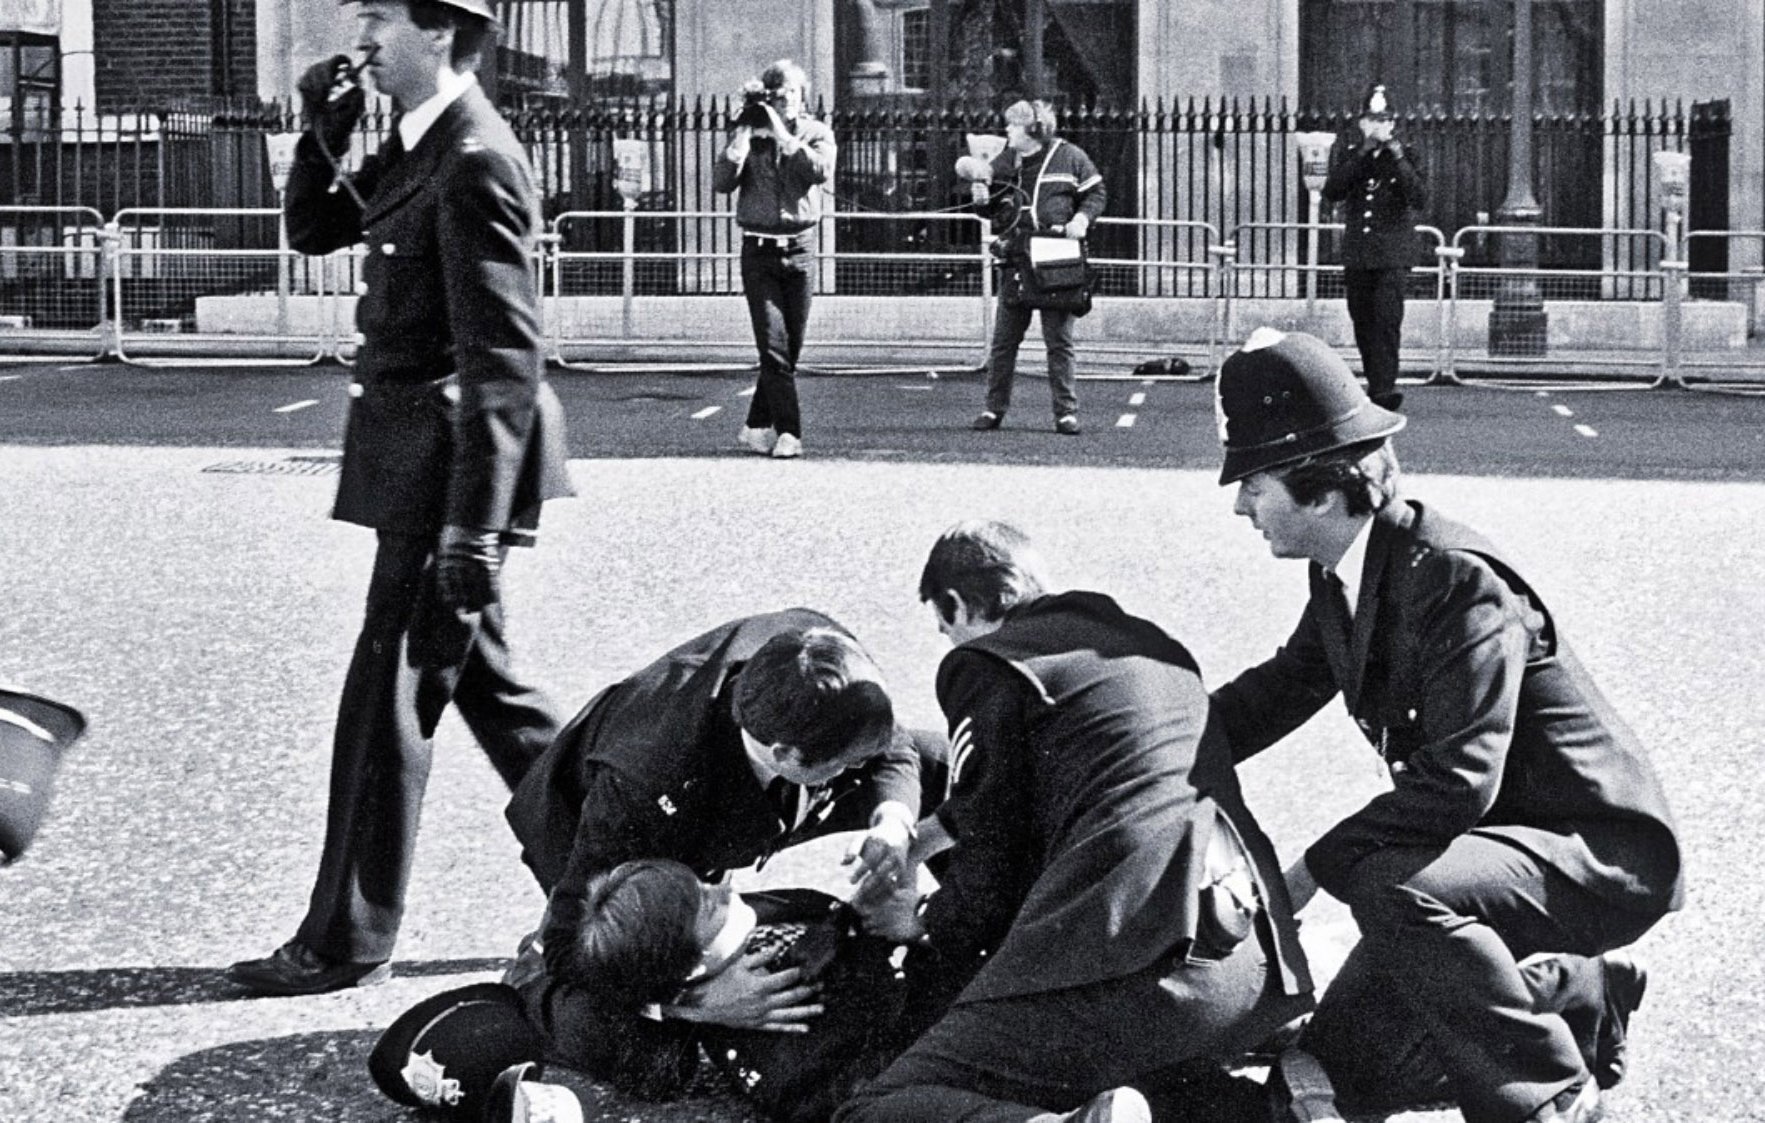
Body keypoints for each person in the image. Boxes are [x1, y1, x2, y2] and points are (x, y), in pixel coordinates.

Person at [1208, 328, 1684, 1123]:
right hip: (1490, 853)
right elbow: (1272, 694)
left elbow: (1460, 779)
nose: (1239, 505)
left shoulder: (1453, 577)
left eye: (1253, 485)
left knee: (1384, 881)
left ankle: (1550, 1094)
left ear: (1321, 491)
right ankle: (1572, 991)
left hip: (1595, 851)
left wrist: (1304, 874)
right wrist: (1143, 739)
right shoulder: (1346, 571)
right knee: (1338, 1061)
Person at [229, 0, 574, 997]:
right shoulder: (422, 141)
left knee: (389, 695)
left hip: (452, 470)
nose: (362, 37)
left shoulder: (476, 157)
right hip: (421, 463)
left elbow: (505, 361)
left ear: (444, 32)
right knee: (490, 691)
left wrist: (473, 526)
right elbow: (317, 228)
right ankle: (624, 861)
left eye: (380, 15)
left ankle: (344, 936)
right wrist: (321, 132)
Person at [836, 521, 1317, 1123]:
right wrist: (921, 837)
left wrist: (921, 924)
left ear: (956, 605)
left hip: (1134, 964)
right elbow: (1039, 791)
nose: (948, 642)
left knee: (879, 1108)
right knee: (1126, 1069)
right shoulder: (1146, 646)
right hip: (1254, 971)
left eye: (943, 624)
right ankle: (1269, 1108)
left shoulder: (987, 662)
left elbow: (993, 853)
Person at [499, 610, 945, 1087]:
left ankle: (967, 929)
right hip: (623, 846)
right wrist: (699, 1002)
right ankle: (530, 981)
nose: (861, 765)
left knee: (942, 761)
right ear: (783, 755)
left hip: (741, 804)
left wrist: (895, 826)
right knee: (636, 1044)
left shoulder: (826, 659)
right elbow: (571, 947)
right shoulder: (642, 791)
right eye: (848, 762)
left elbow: (893, 746)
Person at [407, 858, 913, 1123]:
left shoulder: (788, 909)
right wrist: (691, 1009)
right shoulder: (620, 1038)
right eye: (709, 904)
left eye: (704, 887)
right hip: (553, 990)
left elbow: (818, 908)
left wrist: (857, 920)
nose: (726, 888)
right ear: (693, 964)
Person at [714, 59, 836, 461]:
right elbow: (720, 184)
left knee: (791, 347)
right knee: (773, 347)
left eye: (791, 94)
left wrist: (784, 135)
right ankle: (788, 433)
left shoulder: (816, 132)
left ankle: (753, 426)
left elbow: (819, 172)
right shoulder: (751, 135)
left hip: (800, 248)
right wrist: (741, 142)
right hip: (758, 250)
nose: (784, 101)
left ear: (802, 97)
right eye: (777, 95)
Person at [961, 100, 1107, 436]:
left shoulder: (1070, 156)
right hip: (1017, 257)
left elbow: (1096, 192)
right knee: (1004, 340)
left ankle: (1066, 413)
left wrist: (1082, 219)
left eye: (1012, 126)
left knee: (1058, 340)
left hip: (1057, 256)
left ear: (1033, 129)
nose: (1007, 132)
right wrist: (982, 200)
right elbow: (994, 206)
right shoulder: (1006, 159)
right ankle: (993, 408)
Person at [1322, 83, 1426, 411]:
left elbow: (1418, 197)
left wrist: (1396, 156)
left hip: (1392, 254)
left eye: (1384, 119)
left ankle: (1384, 388)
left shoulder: (1407, 154)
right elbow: (1334, 190)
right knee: (1363, 320)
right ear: (1362, 123)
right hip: (1359, 254)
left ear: (1393, 123)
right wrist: (1363, 152)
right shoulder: (1352, 154)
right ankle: (1374, 380)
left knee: (1386, 319)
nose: (1379, 125)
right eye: (1372, 119)